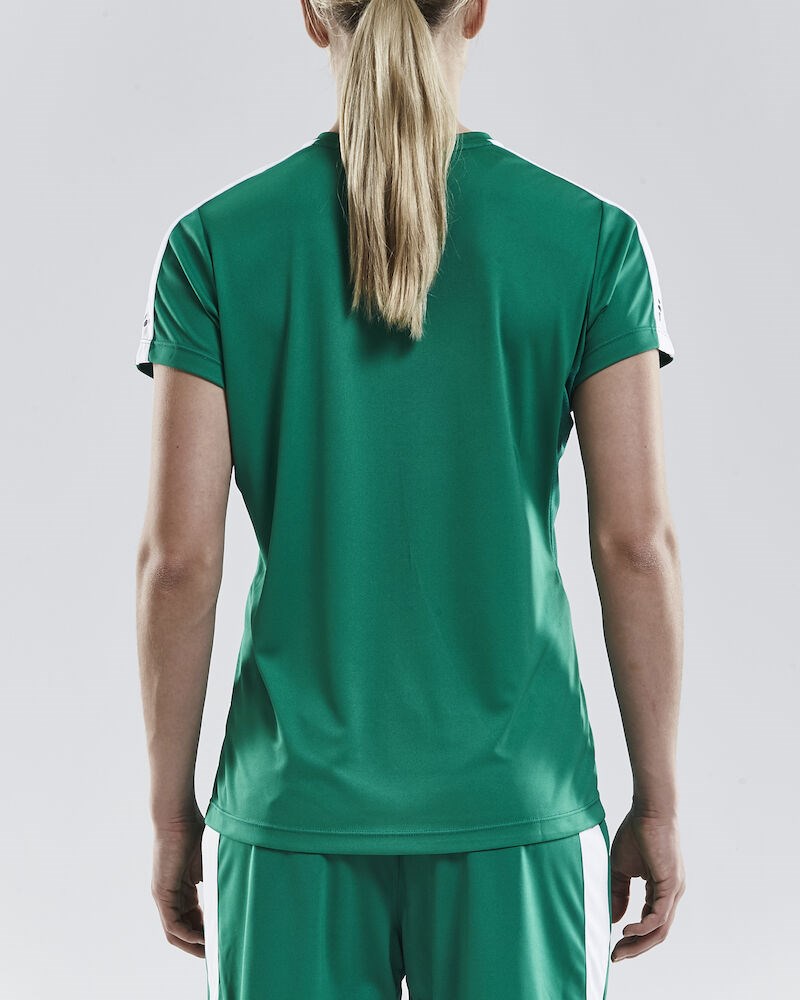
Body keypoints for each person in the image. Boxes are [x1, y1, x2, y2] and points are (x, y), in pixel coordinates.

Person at [134, 0, 686, 996]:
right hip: (515, 805)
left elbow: (179, 563)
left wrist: (174, 815)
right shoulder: (594, 241)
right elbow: (634, 545)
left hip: (290, 807)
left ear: (314, 15)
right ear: (474, 9)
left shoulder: (212, 246)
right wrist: (659, 801)